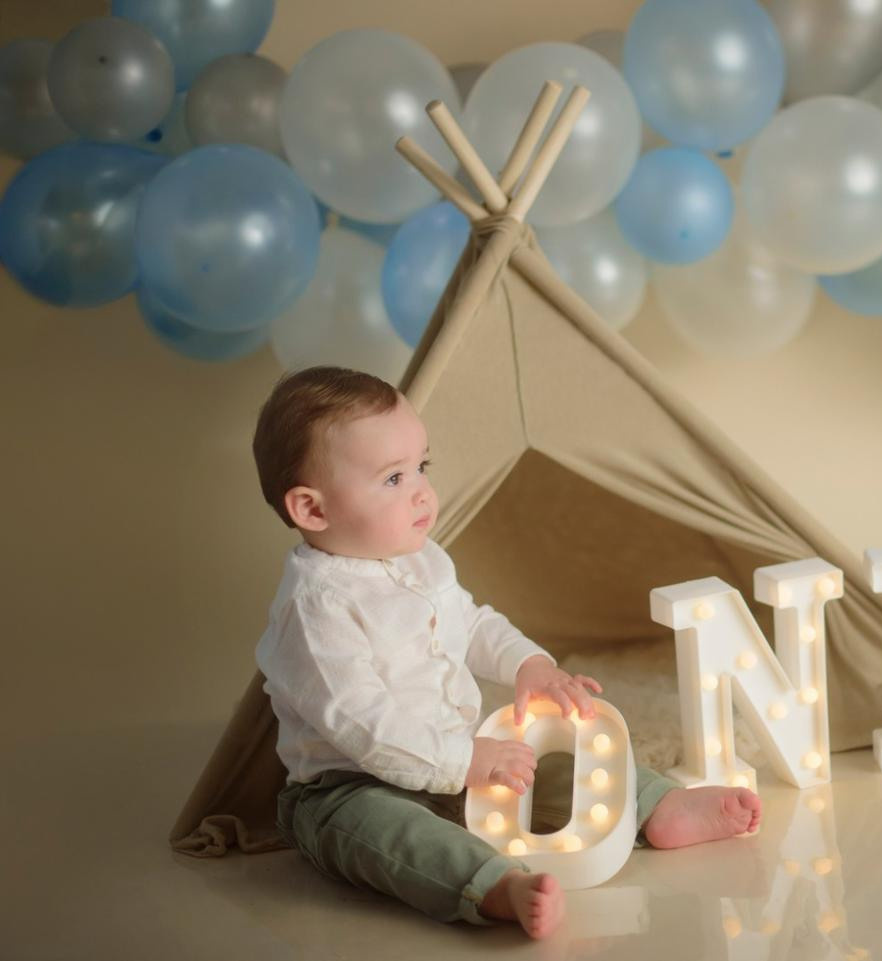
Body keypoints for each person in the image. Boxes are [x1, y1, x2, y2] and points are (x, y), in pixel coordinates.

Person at [251, 365, 762, 938]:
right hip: (350, 784)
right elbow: (363, 722)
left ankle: (659, 806)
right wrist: (463, 761)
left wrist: (529, 664)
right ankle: (493, 884)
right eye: (393, 479)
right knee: (389, 835)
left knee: (554, 765)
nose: (422, 490)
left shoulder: (420, 559)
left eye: (422, 466)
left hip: (464, 758)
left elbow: (470, 623)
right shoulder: (318, 607)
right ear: (313, 510)